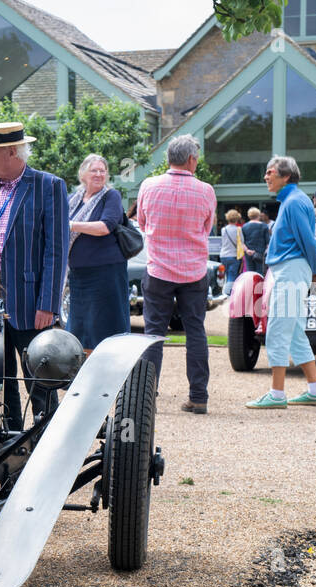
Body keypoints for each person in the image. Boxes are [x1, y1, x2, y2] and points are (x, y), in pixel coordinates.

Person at [0, 120, 68, 431]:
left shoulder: (48, 186)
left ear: (11, 151)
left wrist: (48, 304)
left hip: (31, 305)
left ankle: (46, 445)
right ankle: (10, 446)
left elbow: (57, 250)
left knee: (40, 385)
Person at [136, 134, 216, 414]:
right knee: (195, 331)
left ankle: (146, 398)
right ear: (192, 160)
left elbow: (142, 224)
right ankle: (198, 396)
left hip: (159, 270)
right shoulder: (206, 190)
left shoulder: (149, 185)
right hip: (193, 272)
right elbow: (207, 228)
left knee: (153, 334)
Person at [245, 156, 316, 409]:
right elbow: (307, 241)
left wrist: (314, 271)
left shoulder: (292, 203)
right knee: (293, 331)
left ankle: (277, 393)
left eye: (270, 172)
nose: (265, 177)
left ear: (286, 176)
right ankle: (315, 390)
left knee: (279, 328)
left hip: (291, 270)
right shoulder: (295, 201)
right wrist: (312, 271)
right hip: (293, 269)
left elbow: (308, 241)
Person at [65, 153, 128, 355]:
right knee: (79, 329)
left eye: (103, 170)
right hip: (78, 276)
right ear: (83, 174)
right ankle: (82, 375)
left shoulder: (111, 196)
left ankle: (109, 373)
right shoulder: (73, 199)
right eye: (94, 170)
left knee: (104, 328)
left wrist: (72, 225)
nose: (99, 174)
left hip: (105, 274)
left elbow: (105, 226)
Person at [220, 209, 244, 295]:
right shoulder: (238, 229)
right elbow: (241, 243)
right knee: (232, 275)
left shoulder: (223, 229)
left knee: (226, 275)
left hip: (223, 255)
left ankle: (227, 291)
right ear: (237, 218)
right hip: (233, 255)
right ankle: (227, 293)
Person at [241, 207, 270, 275]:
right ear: (258, 215)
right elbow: (268, 243)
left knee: (250, 273)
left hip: (248, 253)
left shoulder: (244, 226)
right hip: (260, 253)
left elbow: (242, 242)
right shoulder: (264, 226)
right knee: (259, 273)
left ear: (249, 215)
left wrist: (247, 250)